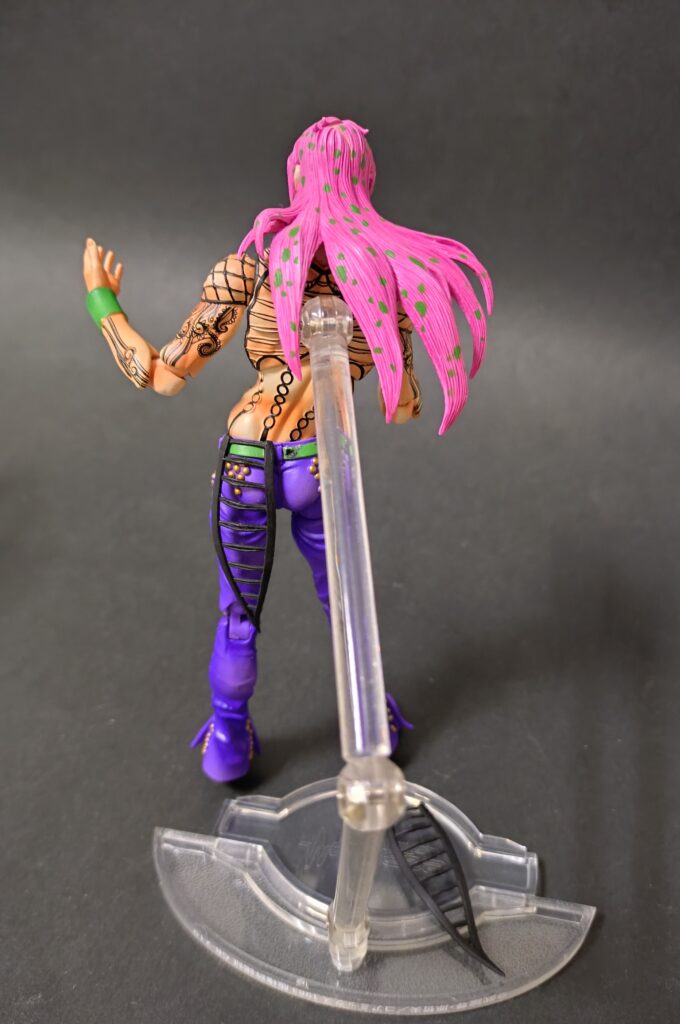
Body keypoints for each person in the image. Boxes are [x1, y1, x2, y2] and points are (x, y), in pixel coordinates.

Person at [81, 115, 493, 782]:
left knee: (237, 619)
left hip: (246, 461)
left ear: (296, 176)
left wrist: (103, 302)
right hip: (319, 466)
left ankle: (227, 737)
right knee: (347, 609)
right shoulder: (380, 284)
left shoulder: (250, 269)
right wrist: (386, 334)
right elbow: (402, 406)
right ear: (364, 180)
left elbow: (160, 375)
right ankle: (375, 723)